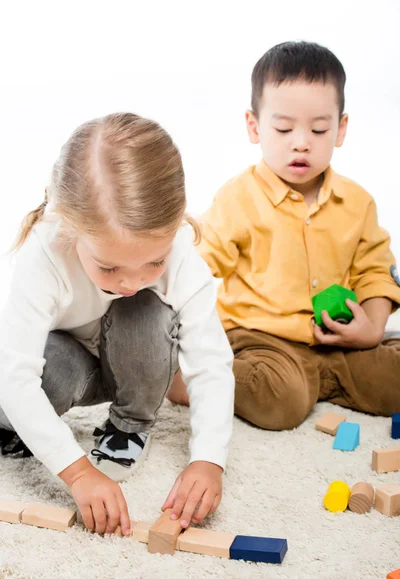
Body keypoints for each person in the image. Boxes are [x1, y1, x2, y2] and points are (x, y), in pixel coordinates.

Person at [0, 112, 234, 536]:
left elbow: (211, 362)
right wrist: (76, 472)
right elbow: (15, 376)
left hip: (129, 366)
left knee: (146, 309)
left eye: (154, 262)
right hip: (64, 365)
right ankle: (14, 430)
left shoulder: (179, 249)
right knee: (36, 382)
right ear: (69, 226)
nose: (130, 281)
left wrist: (208, 459)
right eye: (109, 267)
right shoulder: (45, 251)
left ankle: (128, 428)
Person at [168, 41, 400, 430]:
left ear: (340, 129)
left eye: (319, 128)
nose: (301, 141)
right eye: (283, 127)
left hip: (341, 341)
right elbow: (197, 262)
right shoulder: (238, 198)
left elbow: (376, 270)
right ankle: (187, 380)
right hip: (262, 340)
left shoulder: (358, 203)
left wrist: (370, 328)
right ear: (255, 126)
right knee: (281, 401)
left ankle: (324, 380)